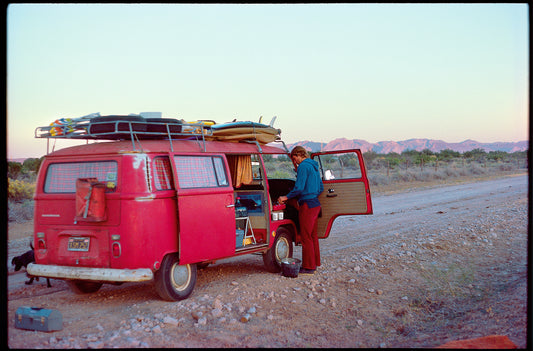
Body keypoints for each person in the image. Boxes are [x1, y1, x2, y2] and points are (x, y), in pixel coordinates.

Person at [277, 146, 324, 275]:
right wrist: (312, 194)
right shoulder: (314, 166)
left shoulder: (303, 166)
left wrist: (286, 197)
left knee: (305, 236)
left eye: (294, 158)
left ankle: (308, 267)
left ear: (298, 155)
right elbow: (321, 187)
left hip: (307, 205)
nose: (295, 161)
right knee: (313, 235)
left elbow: (299, 187)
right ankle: (315, 263)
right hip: (315, 203)